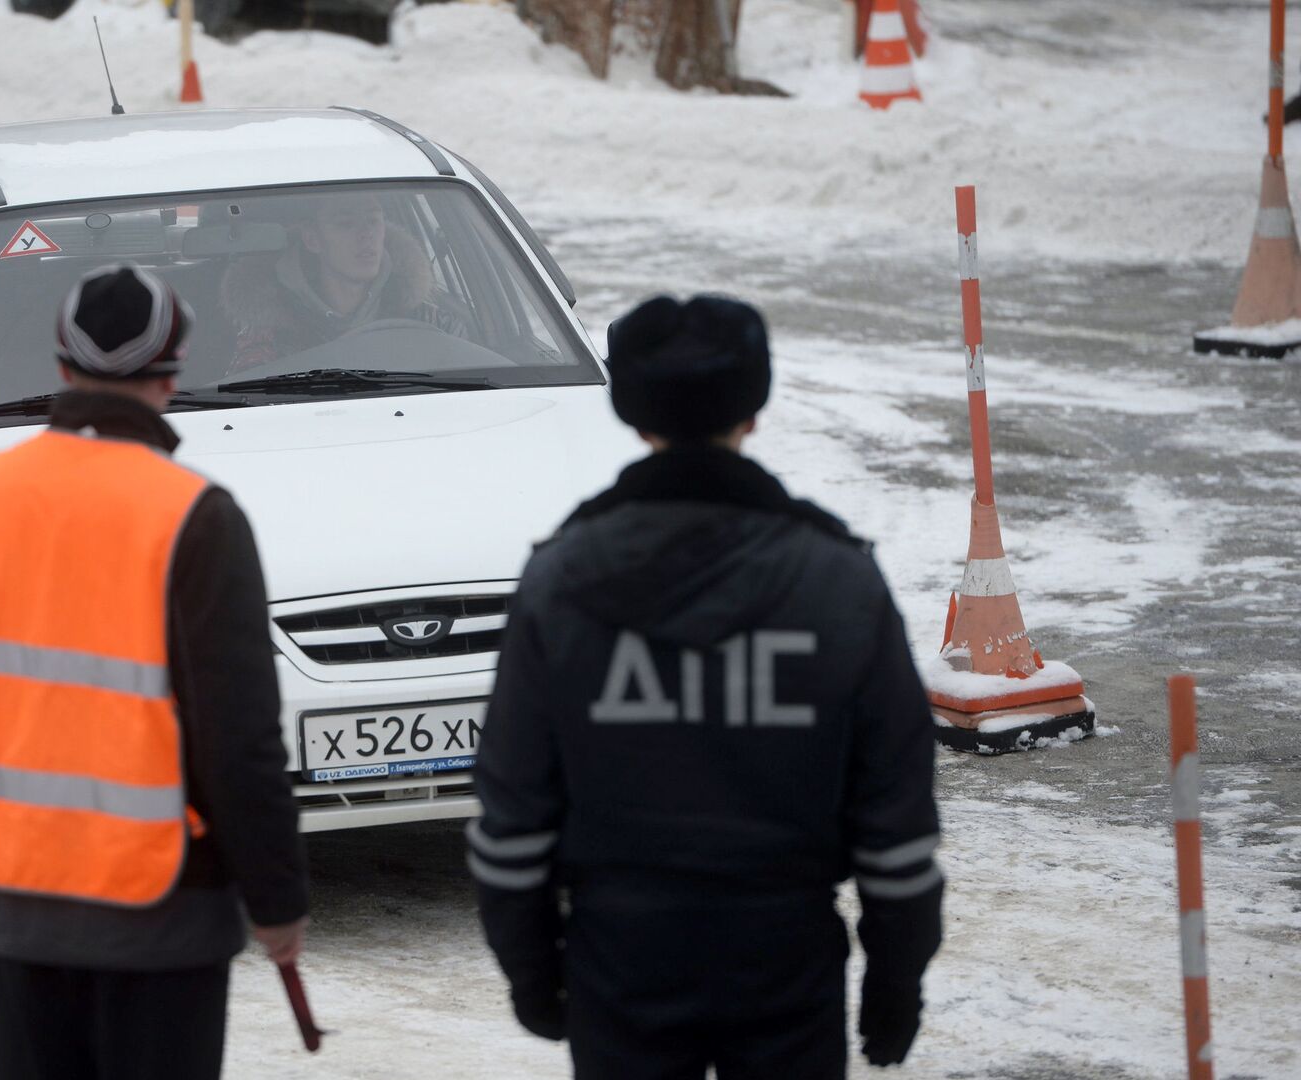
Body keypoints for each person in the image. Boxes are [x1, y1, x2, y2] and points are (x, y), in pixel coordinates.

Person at [467, 295, 943, 1078]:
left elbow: (513, 813)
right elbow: (896, 820)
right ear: (753, 409)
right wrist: (896, 983)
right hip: (786, 965)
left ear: (634, 416)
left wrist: (533, 972)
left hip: (620, 965)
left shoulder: (562, 579)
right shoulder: (837, 579)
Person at [0, 263, 310, 1080]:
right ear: (172, 373)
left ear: (62, 366)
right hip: (161, 905)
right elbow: (239, 737)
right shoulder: (195, 516)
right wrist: (277, 899)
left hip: (21, 888)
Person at [220, 192, 470, 374]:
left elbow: (470, 392)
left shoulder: (433, 324)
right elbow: (249, 413)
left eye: (373, 221)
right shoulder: (268, 336)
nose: (366, 235)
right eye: (345, 223)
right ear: (312, 239)